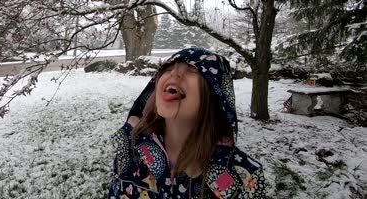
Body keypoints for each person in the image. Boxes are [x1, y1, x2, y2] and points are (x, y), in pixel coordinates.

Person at [108, 47, 266, 199]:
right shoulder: (130, 148)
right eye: (169, 68)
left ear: (214, 96)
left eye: (193, 70)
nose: (175, 73)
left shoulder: (242, 176)